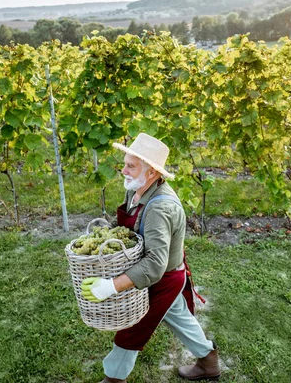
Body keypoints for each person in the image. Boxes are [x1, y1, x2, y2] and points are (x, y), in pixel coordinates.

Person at [80, 133, 221, 382]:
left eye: (130, 166)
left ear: (152, 173)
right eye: (125, 163)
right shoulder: (138, 190)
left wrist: (110, 286)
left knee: (134, 329)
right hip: (163, 273)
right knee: (177, 314)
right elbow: (129, 226)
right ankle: (209, 361)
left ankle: (113, 379)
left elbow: (155, 265)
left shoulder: (159, 208)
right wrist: (105, 235)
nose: (123, 170)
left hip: (162, 278)